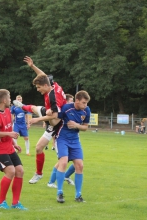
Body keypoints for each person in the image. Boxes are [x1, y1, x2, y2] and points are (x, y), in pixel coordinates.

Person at [13, 56, 66, 184]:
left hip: (59, 123)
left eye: (38, 87)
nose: (38, 90)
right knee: (38, 148)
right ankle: (39, 174)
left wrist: (37, 120)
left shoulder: (53, 97)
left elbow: (54, 117)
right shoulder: (51, 85)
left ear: (45, 86)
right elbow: (43, 75)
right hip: (52, 118)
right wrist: (32, 66)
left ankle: (61, 179)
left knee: (64, 158)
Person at [0, 89, 27, 210]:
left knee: (20, 170)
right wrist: (9, 135)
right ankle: (0, 202)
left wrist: (14, 143)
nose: (11, 100)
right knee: (11, 171)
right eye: (9, 97)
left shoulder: (8, 111)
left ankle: (15, 203)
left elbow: (8, 129)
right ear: (4, 100)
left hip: (8, 147)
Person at [55, 90, 91, 203]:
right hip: (62, 138)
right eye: (84, 103)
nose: (85, 105)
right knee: (64, 162)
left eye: (86, 103)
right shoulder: (66, 108)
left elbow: (85, 127)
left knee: (80, 165)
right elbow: (55, 120)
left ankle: (78, 195)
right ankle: (59, 193)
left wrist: (76, 125)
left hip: (75, 140)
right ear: (77, 101)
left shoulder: (86, 110)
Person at [47, 94, 75, 188]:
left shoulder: (72, 112)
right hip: (61, 141)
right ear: (66, 101)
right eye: (71, 101)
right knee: (62, 162)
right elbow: (55, 126)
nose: (72, 103)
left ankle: (66, 176)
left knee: (78, 161)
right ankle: (51, 182)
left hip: (72, 140)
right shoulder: (61, 112)